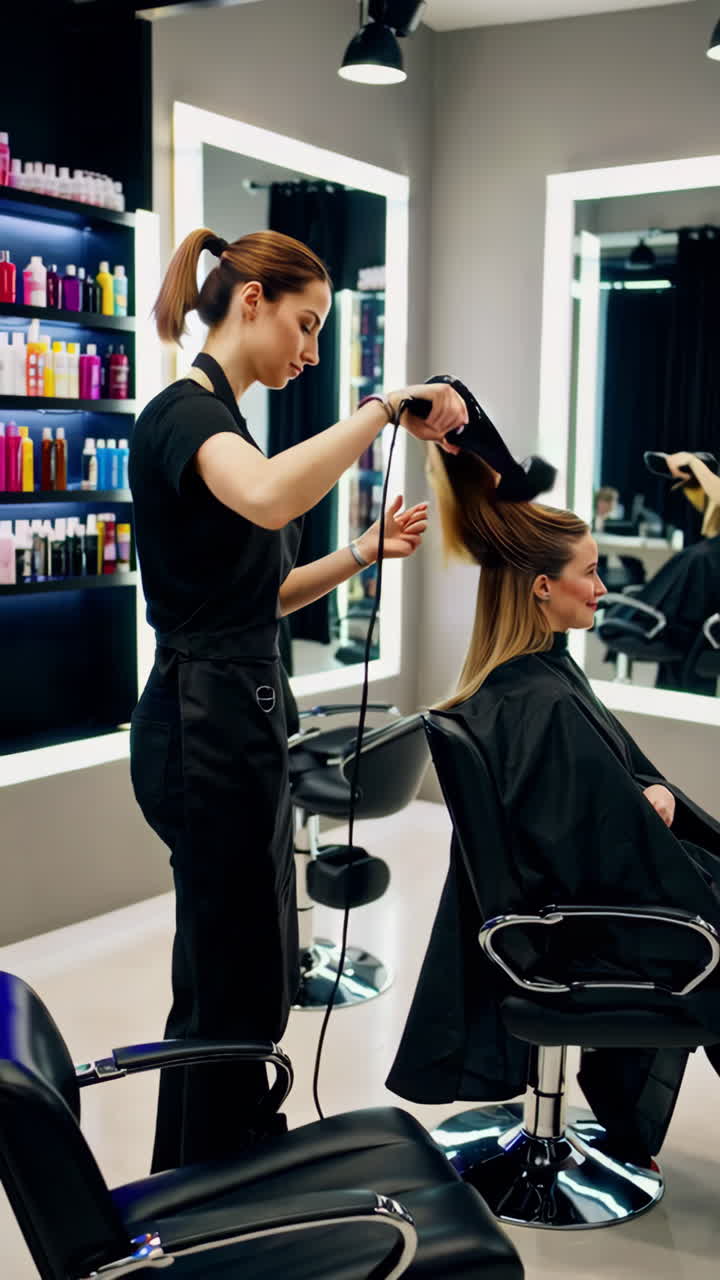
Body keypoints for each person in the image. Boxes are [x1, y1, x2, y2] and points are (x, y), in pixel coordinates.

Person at [129, 226, 467, 1172]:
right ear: (251, 303)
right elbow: (275, 497)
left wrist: (363, 553)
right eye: (305, 324)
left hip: (239, 715)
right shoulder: (183, 418)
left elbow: (262, 595)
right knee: (226, 985)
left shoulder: (227, 429)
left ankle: (225, 1163)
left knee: (251, 972)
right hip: (199, 726)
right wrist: (381, 408)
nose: (310, 350)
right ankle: (203, 1188)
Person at [387, 441, 720, 1163]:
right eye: (590, 572)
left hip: (556, 910)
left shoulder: (525, 684)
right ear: (541, 587)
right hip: (576, 928)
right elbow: (596, 844)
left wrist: (641, 798)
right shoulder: (541, 702)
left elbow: (583, 814)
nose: (602, 588)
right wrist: (647, 813)